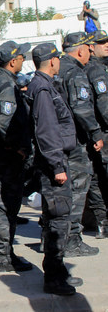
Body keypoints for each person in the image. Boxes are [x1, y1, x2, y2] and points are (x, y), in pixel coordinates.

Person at [23, 43, 81, 295]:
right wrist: (57, 165)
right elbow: (46, 131)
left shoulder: (42, 84)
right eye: (57, 58)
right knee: (58, 221)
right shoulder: (43, 88)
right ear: (52, 61)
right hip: (52, 165)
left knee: (54, 219)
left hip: (52, 161)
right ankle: (54, 278)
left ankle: (57, 272)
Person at [0, 41, 33, 272]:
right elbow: (3, 122)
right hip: (6, 158)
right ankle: (3, 257)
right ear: (13, 61)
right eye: (22, 56)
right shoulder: (4, 84)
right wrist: (16, 147)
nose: (24, 59)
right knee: (6, 207)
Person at [55, 31, 103, 257]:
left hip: (56, 140)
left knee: (60, 191)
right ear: (81, 50)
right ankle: (71, 239)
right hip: (75, 141)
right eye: (89, 49)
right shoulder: (75, 73)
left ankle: (55, 237)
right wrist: (95, 132)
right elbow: (82, 108)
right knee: (76, 189)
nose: (90, 53)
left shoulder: (55, 69)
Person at [83, 30, 108, 238]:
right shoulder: (95, 70)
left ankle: (100, 220)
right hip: (102, 132)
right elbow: (103, 104)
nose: (106, 45)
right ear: (90, 46)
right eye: (101, 43)